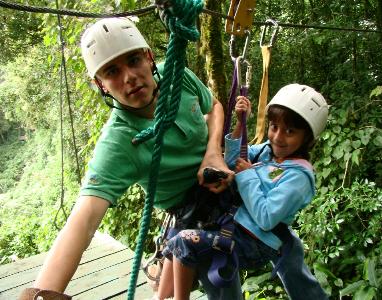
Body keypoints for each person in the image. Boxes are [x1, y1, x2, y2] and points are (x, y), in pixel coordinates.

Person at [18, 17, 235, 300]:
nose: (129, 77)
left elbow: (213, 107)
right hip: (193, 216)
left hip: (225, 179)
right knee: (223, 287)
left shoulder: (177, 76)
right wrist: (41, 293)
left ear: (149, 57)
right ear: (101, 84)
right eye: (112, 71)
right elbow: (84, 218)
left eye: (133, 60)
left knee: (286, 244)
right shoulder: (120, 141)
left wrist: (212, 152)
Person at [157, 84, 330, 300]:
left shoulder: (298, 177)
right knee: (180, 233)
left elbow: (266, 218)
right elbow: (232, 161)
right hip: (233, 228)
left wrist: (247, 175)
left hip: (254, 242)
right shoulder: (268, 152)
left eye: (290, 131)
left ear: (307, 138)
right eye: (274, 126)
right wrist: (241, 123)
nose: (277, 137)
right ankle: (161, 297)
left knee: (186, 241)